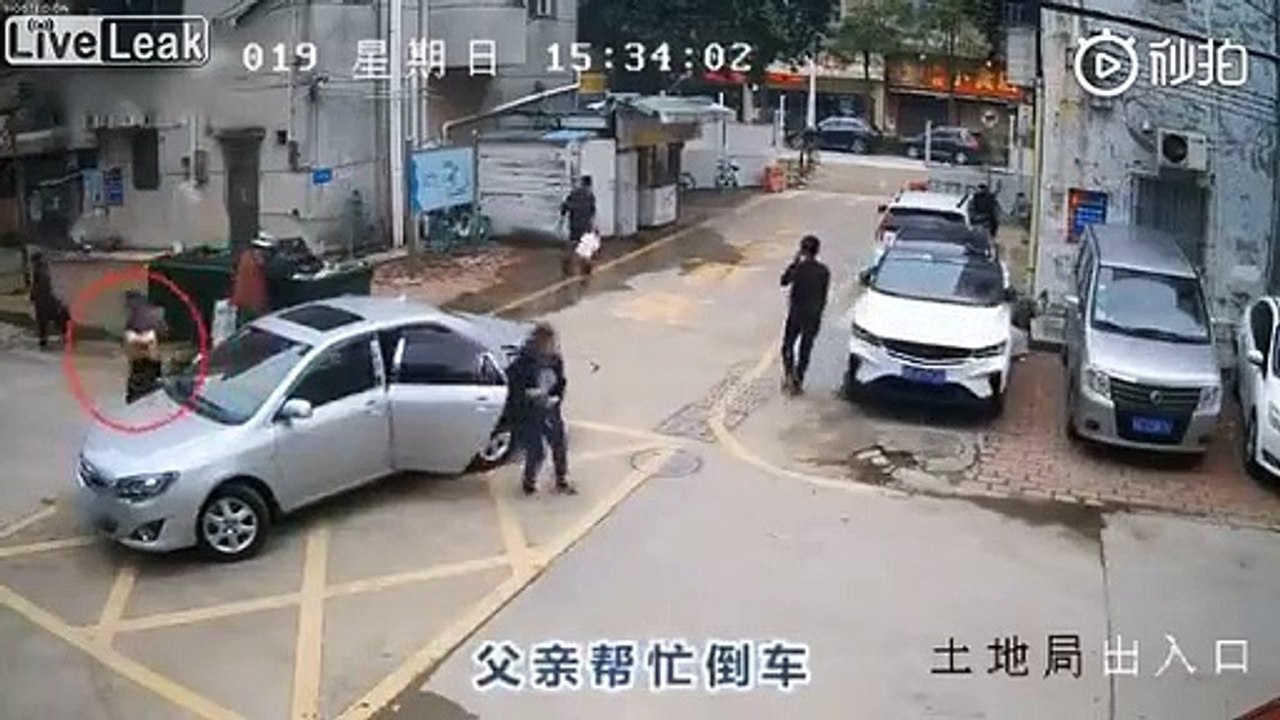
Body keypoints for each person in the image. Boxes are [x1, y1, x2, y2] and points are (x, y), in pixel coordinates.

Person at [506, 322, 574, 496]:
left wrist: (556, 397)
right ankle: (529, 481)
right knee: (536, 451)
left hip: (549, 408)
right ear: (539, 342)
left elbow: (560, 383)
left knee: (559, 442)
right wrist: (529, 394)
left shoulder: (555, 361)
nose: (552, 346)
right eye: (548, 343)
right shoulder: (523, 363)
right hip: (528, 413)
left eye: (553, 343)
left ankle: (561, 478)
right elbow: (513, 387)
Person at [780, 235, 831, 395]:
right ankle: (799, 378)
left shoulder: (798, 268)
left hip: (796, 312)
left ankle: (789, 374)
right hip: (813, 315)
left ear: (802, 249)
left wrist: (794, 262)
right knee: (805, 348)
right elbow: (824, 294)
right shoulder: (824, 271)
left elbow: (784, 281)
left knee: (787, 345)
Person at [123, 291, 166, 403]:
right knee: (148, 364)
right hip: (144, 336)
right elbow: (161, 328)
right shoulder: (152, 311)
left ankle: (136, 392)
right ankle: (144, 388)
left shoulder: (136, 312)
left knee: (139, 365)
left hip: (138, 336)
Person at [28, 251, 67, 349]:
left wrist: (32, 296)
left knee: (42, 320)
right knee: (58, 317)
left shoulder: (37, 269)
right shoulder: (48, 267)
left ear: (34, 261)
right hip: (51, 297)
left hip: (42, 299)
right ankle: (64, 336)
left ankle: (43, 339)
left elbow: (35, 285)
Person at [560, 176, 596, 274]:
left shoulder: (574, 193)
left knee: (573, 243)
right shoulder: (590, 196)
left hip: (574, 223)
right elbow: (592, 212)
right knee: (585, 246)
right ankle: (586, 266)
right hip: (585, 225)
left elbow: (564, 206)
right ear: (589, 185)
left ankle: (566, 262)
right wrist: (592, 225)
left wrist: (562, 216)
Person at [231, 238, 271, 327]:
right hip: (255, 303)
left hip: (242, 301)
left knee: (244, 328)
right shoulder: (258, 258)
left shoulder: (245, 256)